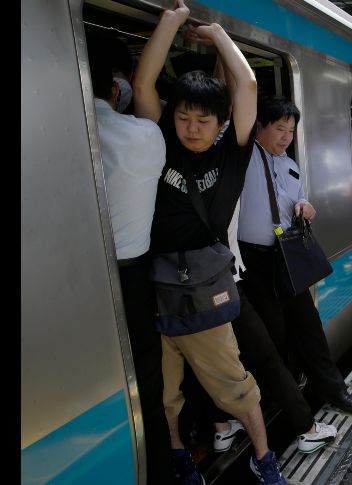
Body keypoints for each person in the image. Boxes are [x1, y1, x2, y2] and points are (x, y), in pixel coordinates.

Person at [132, 2, 286, 483]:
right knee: (165, 390)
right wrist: (171, 22)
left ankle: (264, 459)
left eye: (202, 120)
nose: (191, 128)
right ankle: (179, 456)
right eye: (183, 117)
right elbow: (142, 86)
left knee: (234, 385)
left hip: (203, 286)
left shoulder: (233, 150)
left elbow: (249, 86)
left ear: (219, 121)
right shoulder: (162, 140)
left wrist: (217, 33)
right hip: (158, 284)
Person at [236, 96, 352, 415]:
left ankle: (333, 391)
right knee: (271, 335)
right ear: (258, 126)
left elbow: (299, 199)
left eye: (291, 131)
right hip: (253, 261)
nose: (286, 137)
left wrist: (304, 207)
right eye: (279, 129)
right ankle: (273, 401)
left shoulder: (291, 166)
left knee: (309, 327)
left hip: (287, 256)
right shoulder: (242, 157)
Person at [87, 38, 172, 484]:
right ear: (116, 88)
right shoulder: (147, 136)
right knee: (148, 385)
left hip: (79, 285)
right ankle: (157, 469)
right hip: (135, 279)